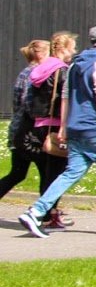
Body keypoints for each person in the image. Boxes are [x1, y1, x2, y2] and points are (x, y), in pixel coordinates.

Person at [19, 24, 96, 238]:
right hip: (95, 127)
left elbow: (66, 96)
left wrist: (64, 128)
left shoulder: (76, 64)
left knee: (71, 173)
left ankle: (36, 211)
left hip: (75, 128)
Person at [23, 32, 79, 229]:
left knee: (47, 172)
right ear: (63, 49)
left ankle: (49, 213)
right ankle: (44, 214)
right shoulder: (62, 71)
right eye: (72, 48)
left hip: (38, 125)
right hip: (55, 126)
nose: (74, 52)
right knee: (57, 174)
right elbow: (66, 99)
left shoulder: (40, 69)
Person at [0, 39, 48, 203]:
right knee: (46, 172)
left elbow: (17, 104)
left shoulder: (24, 72)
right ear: (41, 55)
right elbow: (29, 104)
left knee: (18, 173)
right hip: (30, 133)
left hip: (18, 130)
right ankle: (47, 211)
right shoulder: (36, 74)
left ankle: (48, 210)